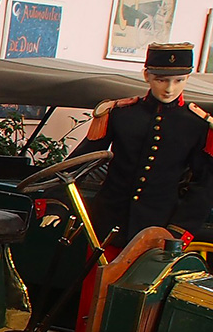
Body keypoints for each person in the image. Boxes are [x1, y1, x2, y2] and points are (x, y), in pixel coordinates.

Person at [72, 41, 213, 245]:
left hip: (159, 229)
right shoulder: (120, 114)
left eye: (179, 80)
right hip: (107, 222)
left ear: (187, 78)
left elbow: (205, 184)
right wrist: (57, 203)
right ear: (146, 75)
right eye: (161, 80)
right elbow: (80, 161)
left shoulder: (196, 124)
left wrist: (178, 230)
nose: (169, 89)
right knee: (97, 276)